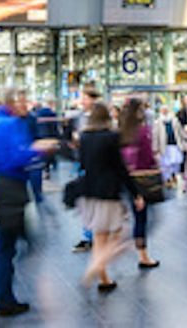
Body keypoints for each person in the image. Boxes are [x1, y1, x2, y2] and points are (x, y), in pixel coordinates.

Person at [0, 89, 53, 317]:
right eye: (22, 101)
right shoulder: (9, 124)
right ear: (11, 103)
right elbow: (15, 157)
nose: (27, 105)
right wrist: (37, 149)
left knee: (4, 246)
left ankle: (4, 297)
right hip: (8, 189)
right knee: (5, 248)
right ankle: (3, 300)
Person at [79, 102, 144, 291]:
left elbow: (82, 163)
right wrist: (135, 193)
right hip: (108, 192)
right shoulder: (110, 137)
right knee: (118, 234)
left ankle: (104, 278)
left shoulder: (84, 137)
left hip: (89, 192)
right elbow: (120, 169)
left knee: (100, 236)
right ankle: (95, 266)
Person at [119, 98, 159, 269]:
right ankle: (141, 253)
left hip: (126, 179)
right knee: (145, 219)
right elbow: (148, 157)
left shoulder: (120, 132)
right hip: (143, 178)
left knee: (138, 216)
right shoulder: (143, 132)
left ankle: (138, 248)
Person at [72, 85, 101, 253]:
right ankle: (88, 235)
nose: (81, 101)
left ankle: (96, 235)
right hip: (82, 162)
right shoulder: (81, 117)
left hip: (96, 164)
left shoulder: (100, 117)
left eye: (84, 98)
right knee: (85, 201)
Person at [153, 105, 187, 188]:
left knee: (176, 162)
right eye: (163, 110)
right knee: (165, 164)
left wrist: (186, 139)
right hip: (164, 146)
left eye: (166, 110)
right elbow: (155, 135)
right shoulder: (157, 122)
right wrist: (155, 147)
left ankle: (174, 175)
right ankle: (167, 179)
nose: (164, 111)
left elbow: (180, 131)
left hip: (175, 145)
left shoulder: (175, 120)